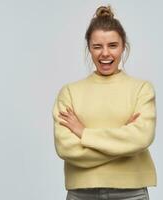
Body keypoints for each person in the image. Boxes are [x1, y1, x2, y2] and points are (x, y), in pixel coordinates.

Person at [52, 5, 157, 200]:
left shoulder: (142, 90)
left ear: (123, 46)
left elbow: (141, 138)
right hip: (81, 193)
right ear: (89, 48)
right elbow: (66, 148)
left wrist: (84, 133)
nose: (105, 54)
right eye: (97, 46)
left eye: (113, 45)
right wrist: (124, 145)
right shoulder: (69, 93)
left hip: (131, 193)